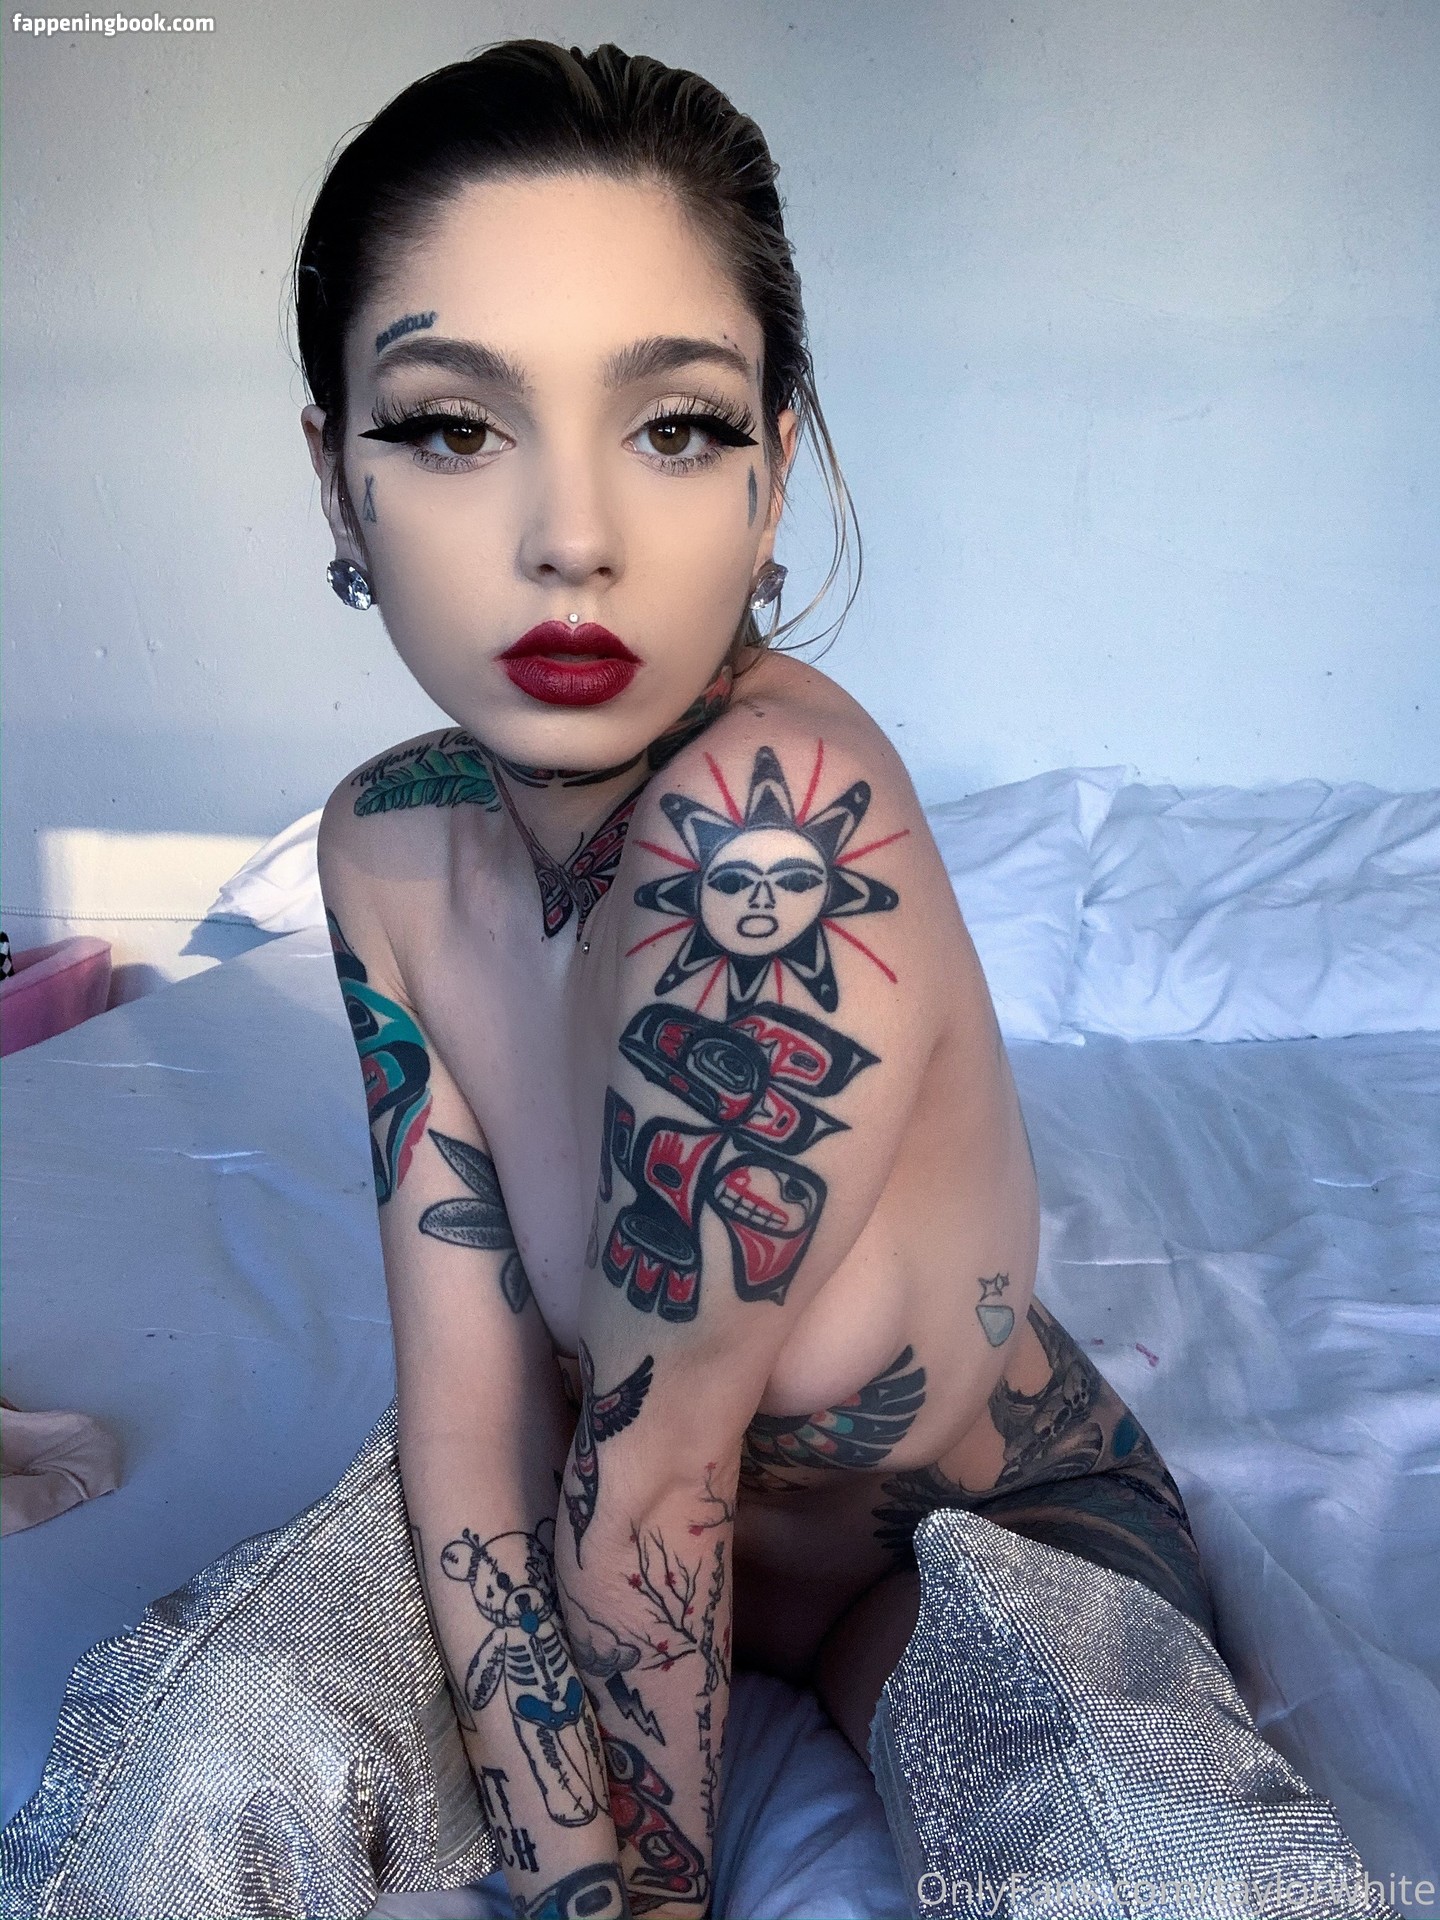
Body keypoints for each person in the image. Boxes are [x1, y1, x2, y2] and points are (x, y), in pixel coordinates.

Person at [298, 40, 1216, 1920]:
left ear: (775, 471)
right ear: (337, 479)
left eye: (676, 428)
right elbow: (474, 1429)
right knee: (182, 1753)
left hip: (956, 1553)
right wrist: (565, 1862)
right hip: (588, 1526)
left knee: (1129, 1852)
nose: (572, 539)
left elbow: (658, 1491)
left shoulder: (770, 831)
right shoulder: (385, 848)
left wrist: (636, 1903)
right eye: (454, 428)